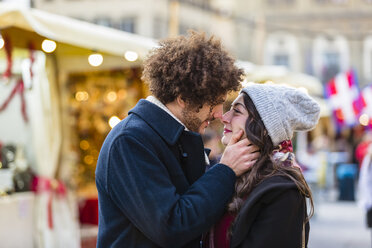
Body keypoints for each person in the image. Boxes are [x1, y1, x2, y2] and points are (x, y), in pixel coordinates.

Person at [95, 31, 259, 248]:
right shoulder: (130, 141)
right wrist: (225, 170)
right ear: (183, 98)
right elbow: (170, 226)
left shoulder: (168, 137)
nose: (220, 113)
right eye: (214, 102)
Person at [207, 83, 320, 248]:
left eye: (237, 111)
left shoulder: (283, 190)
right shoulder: (232, 172)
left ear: (265, 127)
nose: (224, 117)